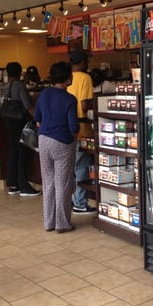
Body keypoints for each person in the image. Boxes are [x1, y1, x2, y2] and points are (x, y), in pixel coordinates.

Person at [34, 62, 79, 233]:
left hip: (43, 141)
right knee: (63, 184)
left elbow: (37, 117)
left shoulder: (44, 94)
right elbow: (73, 127)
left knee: (48, 183)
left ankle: (49, 223)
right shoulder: (69, 99)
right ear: (68, 78)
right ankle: (62, 224)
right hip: (62, 143)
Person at [1, 62, 41, 197]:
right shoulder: (19, 86)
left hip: (8, 121)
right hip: (19, 122)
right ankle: (24, 185)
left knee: (13, 151)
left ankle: (13, 184)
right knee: (22, 151)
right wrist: (39, 118)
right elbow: (28, 106)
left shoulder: (5, 86)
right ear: (19, 72)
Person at [67, 49, 96, 213]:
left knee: (72, 167)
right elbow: (84, 105)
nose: (88, 64)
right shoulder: (86, 78)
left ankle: (72, 199)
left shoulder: (68, 78)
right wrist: (97, 104)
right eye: (86, 61)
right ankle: (80, 202)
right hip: (83, 129)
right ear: (81, 62)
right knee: (82, 167)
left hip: (69, 131)